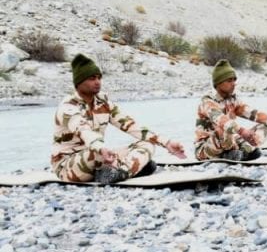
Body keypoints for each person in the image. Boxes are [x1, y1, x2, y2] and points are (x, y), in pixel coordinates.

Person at [51, 53, 186, 184]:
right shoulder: (68, 106)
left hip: (99, 155)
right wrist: (101, 148)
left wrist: (166, 142)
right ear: (79, 83)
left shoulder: (103, 102)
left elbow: (130, 125)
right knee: (97, 153)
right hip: (68, 166)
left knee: (147, 144)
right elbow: (84, 131)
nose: (98, 82)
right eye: (92, 78)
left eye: (99, 78)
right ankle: (131, 168)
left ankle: (120, 172)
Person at [195, 59, 267, 161]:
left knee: (266, 126)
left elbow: (257, 115)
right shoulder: (207, 103)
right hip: (207, 149)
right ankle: (239, 152)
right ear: (218, 84)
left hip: (230, 143)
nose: (234, 83)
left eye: (234, 80)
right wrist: (242, 131)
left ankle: (243, 151)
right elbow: (223, 121)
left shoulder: (233, 101)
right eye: (229, 81)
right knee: (226, 128)